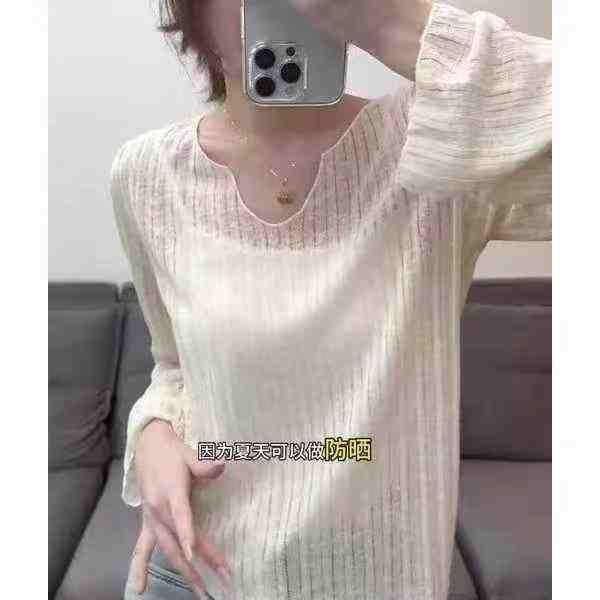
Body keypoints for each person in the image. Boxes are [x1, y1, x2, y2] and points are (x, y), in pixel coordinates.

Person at [111, 1, 552, 598]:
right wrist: (152, 434)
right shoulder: (146, 176)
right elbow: (174, 366)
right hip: (197, 571)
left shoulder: (438, 145)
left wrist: (393, 23)